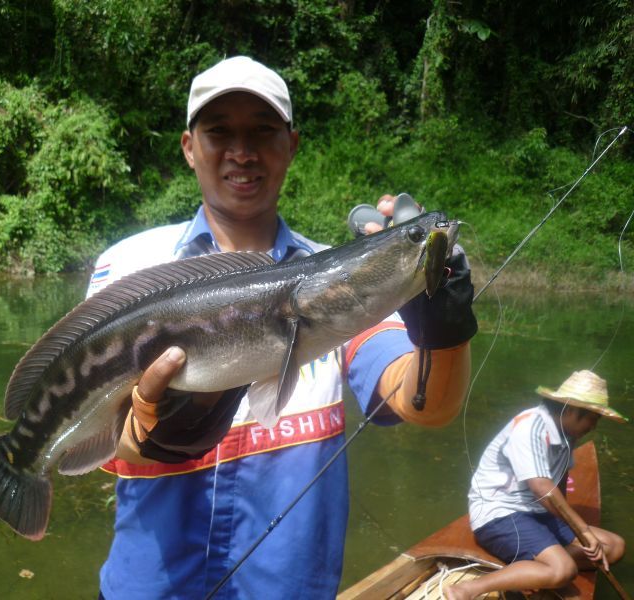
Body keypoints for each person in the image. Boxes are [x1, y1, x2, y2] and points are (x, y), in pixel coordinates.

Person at [86, 56, 477, 599]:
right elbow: (103, 443)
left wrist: (443, 326)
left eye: (262, 132)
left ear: (290, 146)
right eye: (219, 131)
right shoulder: (131, 268)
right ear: (188, 146)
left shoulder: (341, 281)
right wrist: (151, 431)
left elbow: (425, 405)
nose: (241, 152)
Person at [445, 370, 627, 600]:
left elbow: (558, 483)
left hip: (539, 511)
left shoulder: (567, 434)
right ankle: (466, 590)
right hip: (501, 512)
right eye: (593, 417)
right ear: (571, 410)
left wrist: (567, 524)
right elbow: (541, 487)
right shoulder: (531, 426)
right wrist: (581, 530)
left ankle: (536, 569)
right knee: (563, 571)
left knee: (613, 547)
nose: (594, 425)